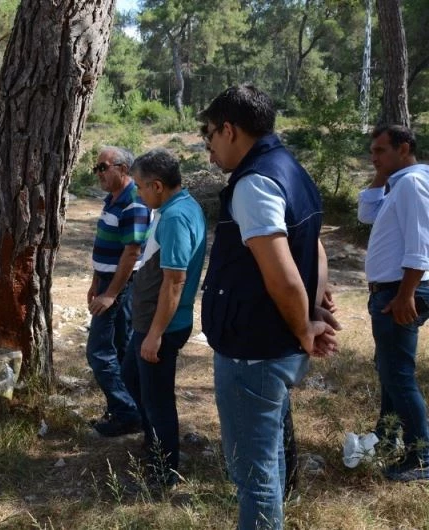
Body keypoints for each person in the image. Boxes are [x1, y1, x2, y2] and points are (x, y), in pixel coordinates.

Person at [199, 85, 337, 530]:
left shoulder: (255, 181)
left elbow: (280, 272)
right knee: (270, 458)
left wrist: (304, 326)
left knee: (253, 476)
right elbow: (314, 247)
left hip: (253, 352)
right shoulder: (290, 168)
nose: (209, 145)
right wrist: (313, 308)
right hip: (270, 347)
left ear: (229, 129)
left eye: (210, 134)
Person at [120, 148, 206, 486]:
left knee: (158, 399)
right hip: (149, 323)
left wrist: (155, 334)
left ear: (157, 185)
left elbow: (175, 281)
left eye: (139, 187)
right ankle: (154, 440)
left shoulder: (175, 217)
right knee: (131, 375)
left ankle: (164, 469)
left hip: (163, 326)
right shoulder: (174, 207)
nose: (138, 194)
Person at [358, 124, 429, 482]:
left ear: (404, 149)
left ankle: (422, 458)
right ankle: (387, 436)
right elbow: (366, 214)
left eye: (381, 151)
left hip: (400, 290)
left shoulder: (414, 184)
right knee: (388, 368)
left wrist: (405, 296)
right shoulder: (398, 185)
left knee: (398, 374)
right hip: (392, 289)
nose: (374, 157)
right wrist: (380, 173)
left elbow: (420, 245)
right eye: (372, 151)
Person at [87, 146, 151, 437]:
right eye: (97, 168)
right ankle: (130, 410)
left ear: (123, 169)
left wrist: (111, 293)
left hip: (120, 287)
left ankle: (126, 413)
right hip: (106, 281)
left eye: (103, 167)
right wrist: (94, 282)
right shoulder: (112, 199)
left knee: (99, 352)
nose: (98, 173)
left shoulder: (134, 201)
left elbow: (131, 253)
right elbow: (105, 246)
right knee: (122, 350)